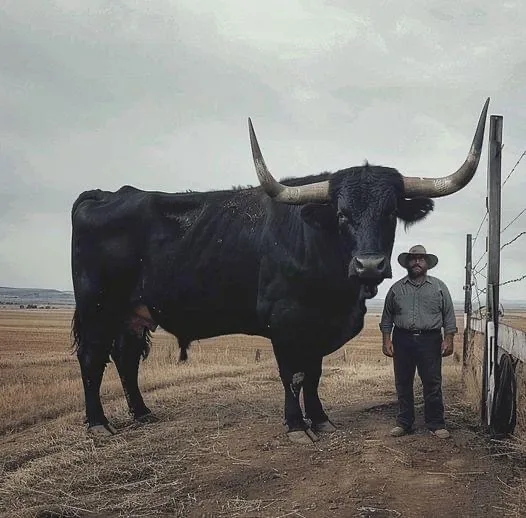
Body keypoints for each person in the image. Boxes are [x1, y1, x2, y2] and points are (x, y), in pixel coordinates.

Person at [379, 245, 457, 439]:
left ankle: (436, 423)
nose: (417, 262)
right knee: (403, 382)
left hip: (430, 340)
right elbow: (387, 317)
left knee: (432, 382)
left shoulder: (439, 287)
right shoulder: (396, 288)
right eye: (413, 259)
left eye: (421, 259)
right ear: (407, 263)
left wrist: (449, 338)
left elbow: (448, 315)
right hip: (402, 339)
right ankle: (404, 422)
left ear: (427, 263)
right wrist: (386, 340)